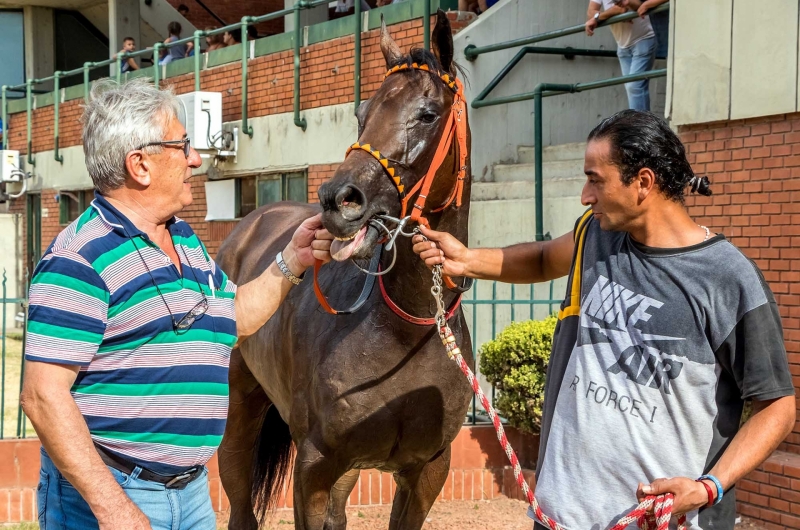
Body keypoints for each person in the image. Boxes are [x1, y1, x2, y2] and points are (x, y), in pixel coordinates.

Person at [413, 110, 796, 529]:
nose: (585, 195)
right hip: (561, 516)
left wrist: (708, 487)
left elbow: (776, 406)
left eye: (595, 179)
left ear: (643, 183)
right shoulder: (595, 234)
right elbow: (543, 258)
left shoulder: (729, 278)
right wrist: (467, 259)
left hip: (663, 522)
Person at [20, 78, 334, 530]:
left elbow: (234, 318)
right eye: (182, 146)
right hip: (113, 497)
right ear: (140, 165)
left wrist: (293, 259)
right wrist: (114, 510)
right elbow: (42, 395)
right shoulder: (79, 258)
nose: (196, 159)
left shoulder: (183, 238)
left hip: (188, 495)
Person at [585, 0, 657, 110]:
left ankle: (639, 126)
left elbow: (637, 5)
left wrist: (599, 17)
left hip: (643, 39)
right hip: (622, 45)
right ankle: (641, 124)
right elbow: (591, 13)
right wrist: (610, 13)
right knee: (631, 88)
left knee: (635, 87)